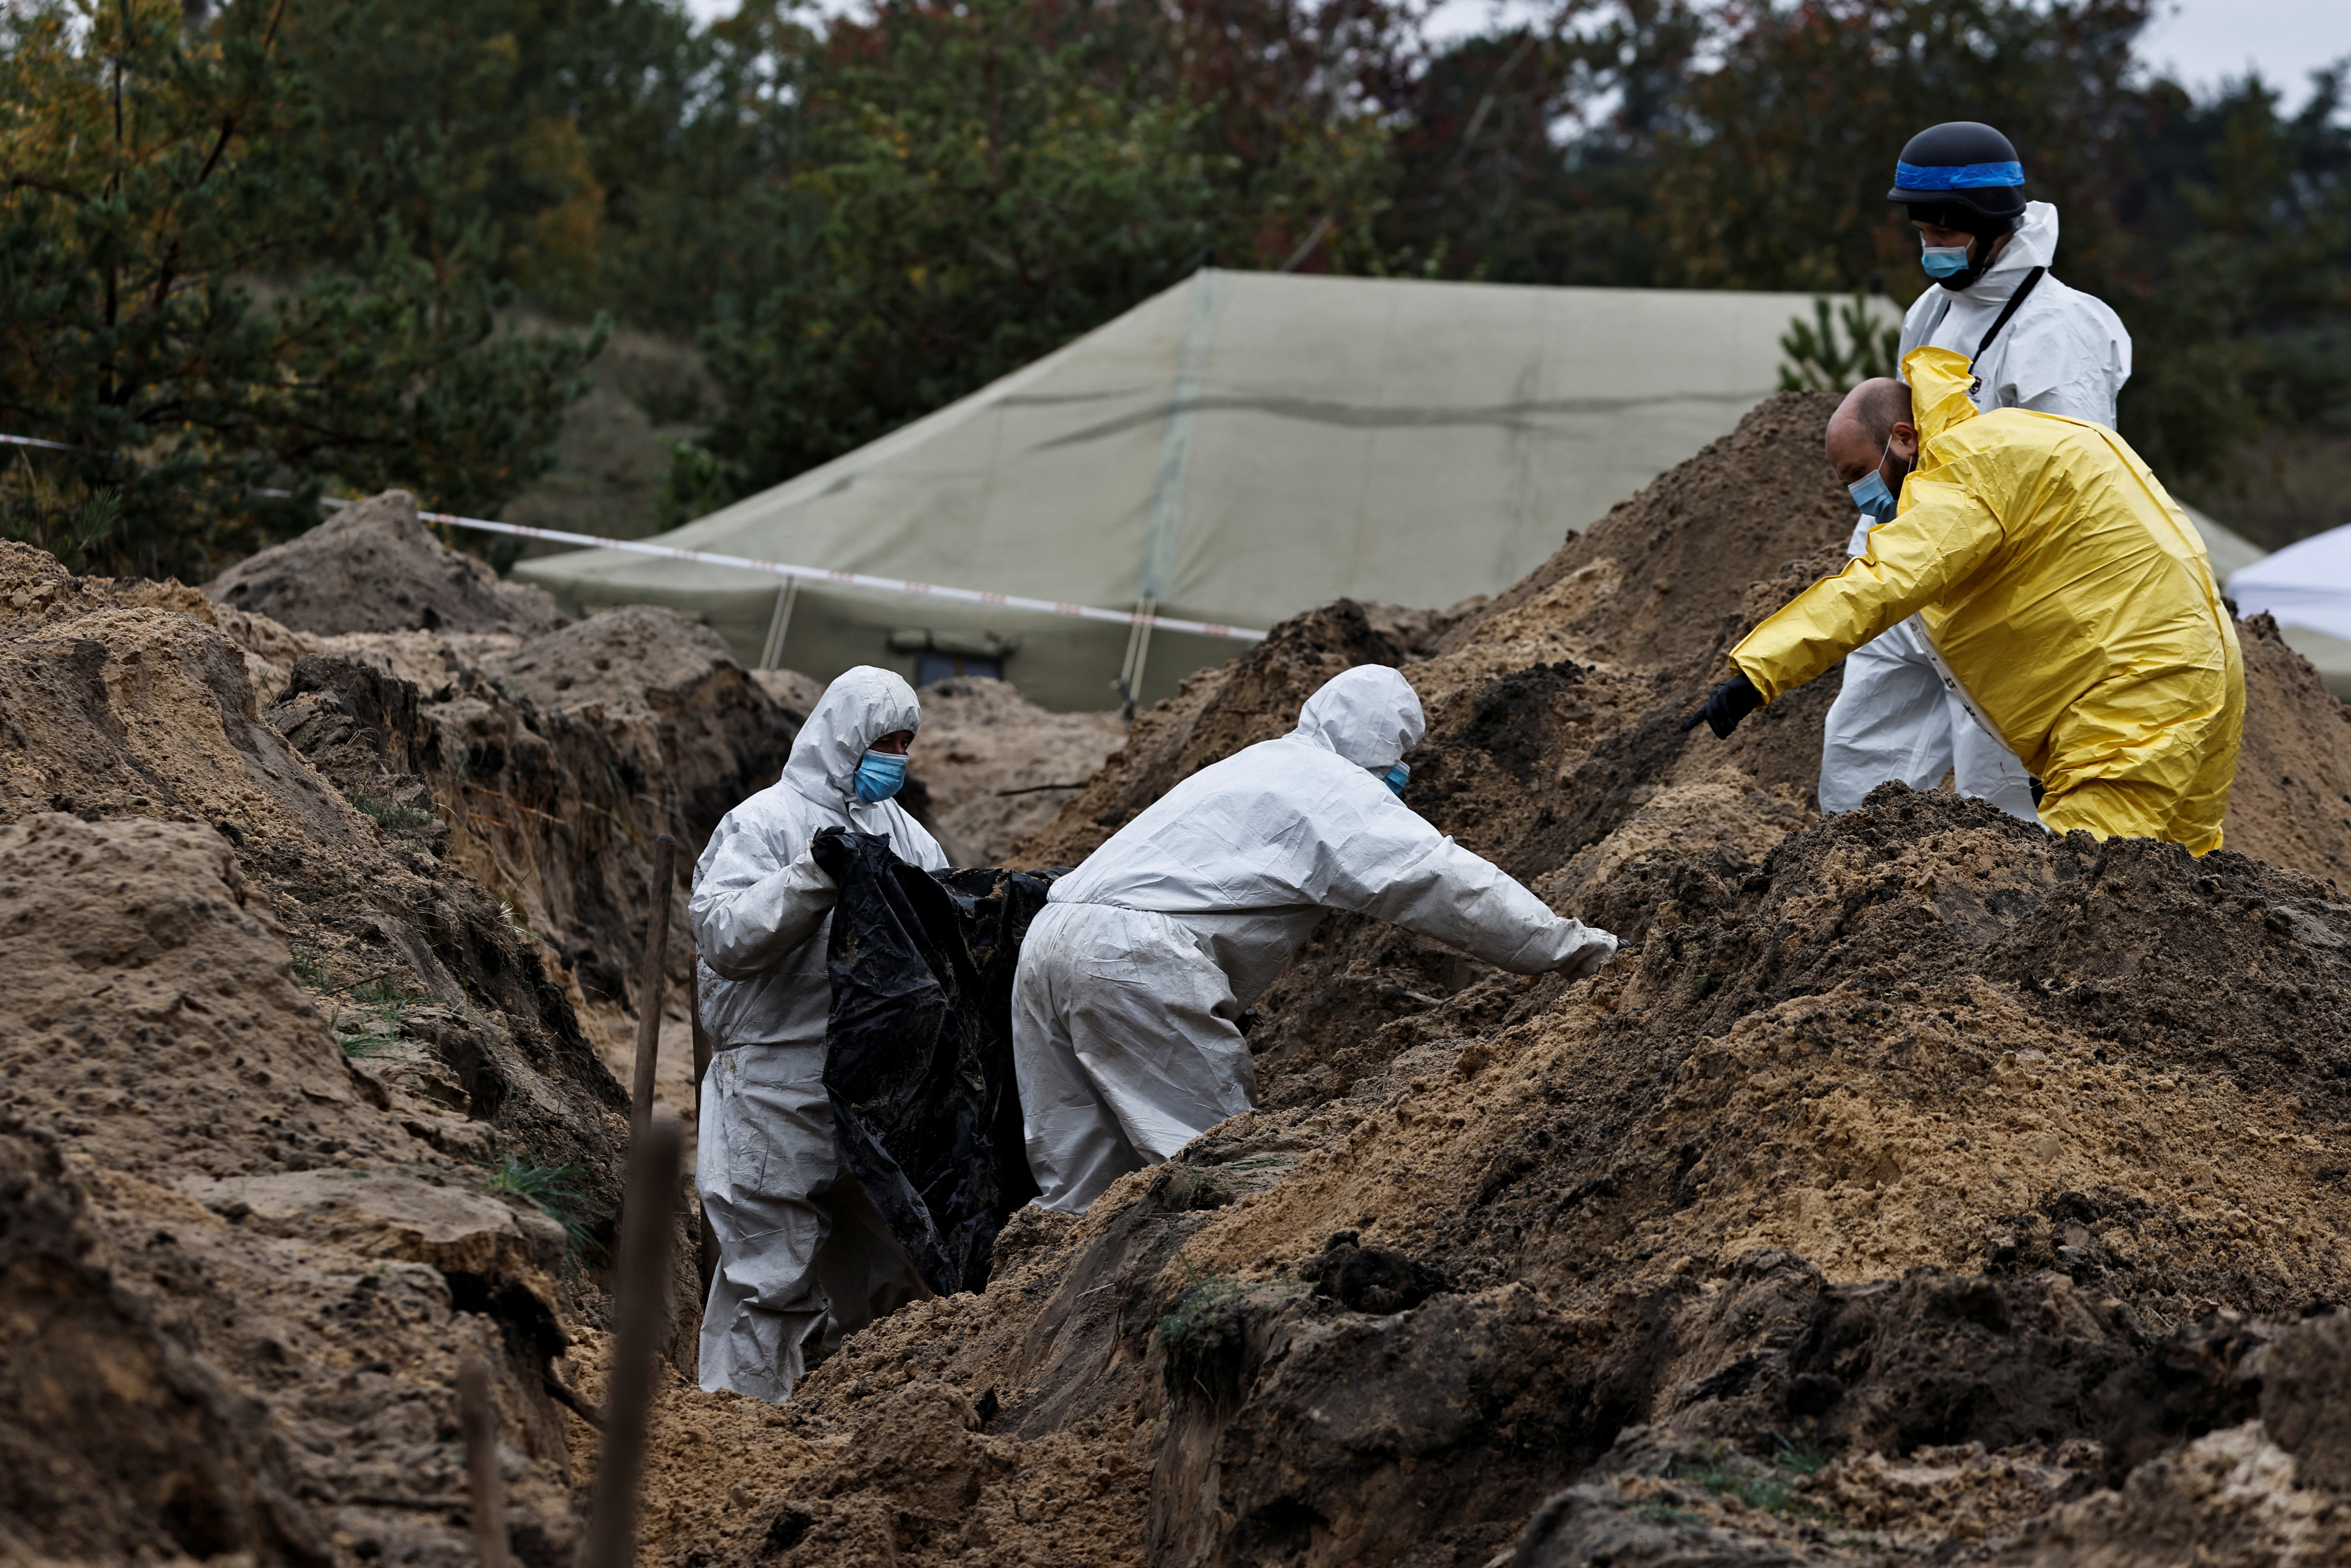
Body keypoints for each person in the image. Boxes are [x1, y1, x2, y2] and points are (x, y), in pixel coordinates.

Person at [1013, 664, 1620, 1214]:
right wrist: (1578, 950)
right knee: (1215, 1175)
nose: (1405, 770)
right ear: (1383, 742)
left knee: (1079, 1189)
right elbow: (1448, 884)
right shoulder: (1335, 790)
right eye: (1403, 752)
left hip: (1049, 937)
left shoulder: (1258, 762)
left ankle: (1031, 1313)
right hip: (1133, 960)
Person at [1687, 351, 2242, 853]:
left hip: (2133, 692)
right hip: (2203, 664)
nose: (1858, 497)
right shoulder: (2013, 437)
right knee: (2186, 881)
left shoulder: (1959, 472)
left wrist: (1757, 674)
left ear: (1904, 437)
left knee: (2089, 889)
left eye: (1859, 473)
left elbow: (1881, 585)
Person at [1820, 120, 2137, 824]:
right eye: (1924, 235)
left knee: (1997, 793)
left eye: (1944, 235)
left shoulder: (2057, 334)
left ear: (1990, 225)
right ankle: (1851, 904)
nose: (1931, 250)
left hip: (2006, 591)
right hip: (1923, 565)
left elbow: (2078, 483)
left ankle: (2012, 928)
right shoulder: (1930, 312)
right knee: (1859, 760)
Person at [688, 666, 946, 1403]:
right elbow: (726, 938)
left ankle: (868, 1437)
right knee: (769, 1279)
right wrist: (811, 877)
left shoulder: (907, 837)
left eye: (905, 742)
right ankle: (735, 1439)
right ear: (843, 737)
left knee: (899, 1281)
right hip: (771, 1089)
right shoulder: (762, 824)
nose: (895, 756)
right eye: (883, 741)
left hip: (872, 1092)